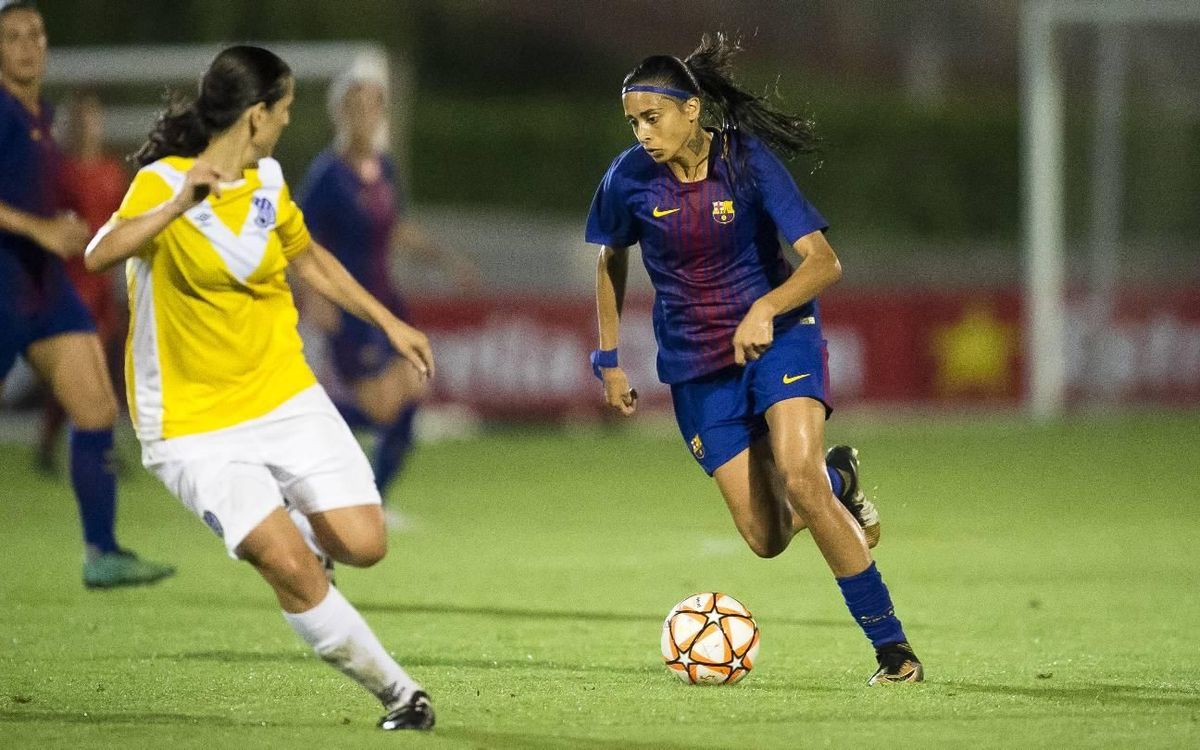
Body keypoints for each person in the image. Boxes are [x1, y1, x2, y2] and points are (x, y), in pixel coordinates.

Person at [85, 45, 436, 731]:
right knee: (294, 567)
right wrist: (181, 203)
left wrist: (390, 322)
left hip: (282, 396)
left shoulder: (269, 181)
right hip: (191, 425)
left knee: (365, 543)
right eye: (283, 109)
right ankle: (400, 695)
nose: (285, 122)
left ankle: (297, 519)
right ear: (256, 114)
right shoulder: (165, 182)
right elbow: (100, 251)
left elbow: (310, 259)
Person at [586, 33, 923, 685]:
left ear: (691, 110)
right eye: (633, 122)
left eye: (652, 118)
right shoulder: (627, 178)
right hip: (695, 366)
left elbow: (824, 263)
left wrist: (766, 308)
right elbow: (610, 256)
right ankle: (839, 482)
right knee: (766, 539)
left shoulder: (746, 162)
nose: (643, 133)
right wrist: (608, 357)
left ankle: (894, 651)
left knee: (796, 475)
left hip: (780, 338)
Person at [0, 0, 174, 589]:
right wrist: (42, 228)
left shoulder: (38, 114)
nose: (28, 46)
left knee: (96, 408)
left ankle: (101, 552)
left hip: (44, 287)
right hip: (5, 284)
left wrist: (61, 225)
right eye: (13, 37)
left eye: (36, 34)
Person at [298, 60, 479, 510]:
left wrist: (445, 260)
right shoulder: (327, 175)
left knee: (414, 388)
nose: (365, 114)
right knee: (380, 407)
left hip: (388, 301)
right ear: (339, 112)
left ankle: (373, 500)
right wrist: (312, 295)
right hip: (350, 305)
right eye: (355, 105)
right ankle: (299, 431)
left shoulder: (385, 169)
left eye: (373, 105)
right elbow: (297, 240)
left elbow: (394, 228)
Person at [36, 91, 130, 473]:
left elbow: (125, 221)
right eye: (82, 118)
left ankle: (65, 446)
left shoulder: (111, 170)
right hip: (69, 282)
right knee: (80, 370)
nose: (89, 125)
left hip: (102, 285)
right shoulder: (57, 171)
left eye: (93, 118)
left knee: (101, 368)